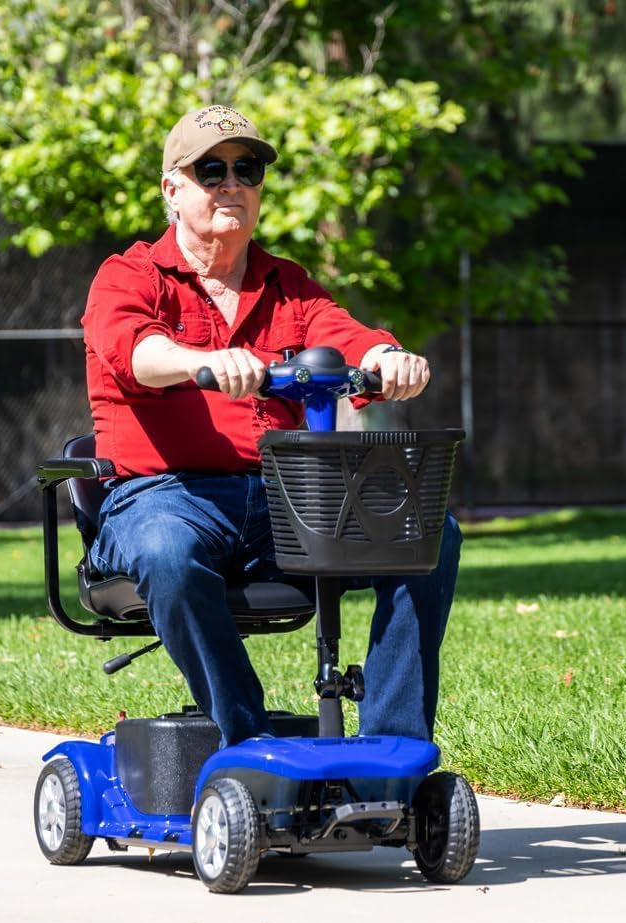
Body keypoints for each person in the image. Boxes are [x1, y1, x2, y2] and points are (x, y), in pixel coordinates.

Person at [81, 104, 461, 747]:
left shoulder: (287, 284)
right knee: (169, 554)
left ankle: (394, 747)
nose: (233, 184)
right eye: (212, 170)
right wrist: (200, 362)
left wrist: (386, 358)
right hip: (163, 499)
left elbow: (347, 336)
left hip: (284, 499)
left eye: (247, 169)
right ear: (172, 188)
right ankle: (249, 741)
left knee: (426, 529)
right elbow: (137, 354)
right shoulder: (130, 276)